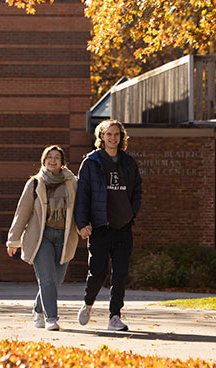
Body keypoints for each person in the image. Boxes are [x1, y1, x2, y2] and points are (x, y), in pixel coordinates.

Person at [75, 119, 142, 332]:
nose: (113, 138)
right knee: (97, 271)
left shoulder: (129, 163)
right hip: (100, 227)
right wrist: (82, 223)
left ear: (121, 138)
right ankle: (88, 303)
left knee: (120, 273)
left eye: (117, 134)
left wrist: (131, 213)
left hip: (123, 227)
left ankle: (114, 316)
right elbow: (82, 195)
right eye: (108, 134)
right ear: (101, 137)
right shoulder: (91, 162)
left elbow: (138, 190)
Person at [6, 145, 79, 331]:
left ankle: (38, 309)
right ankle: (51, 318)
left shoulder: (73, 183)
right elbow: (22, 212)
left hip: (64, 236)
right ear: (43, 161)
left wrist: (86, 226)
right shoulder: (35, 184)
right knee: (46, 279)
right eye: (49, 157)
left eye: (57, 157)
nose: (53, 160)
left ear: (63, 162)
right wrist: (14, 240)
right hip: (41, 236)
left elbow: (81, 208)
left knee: (56, 280)